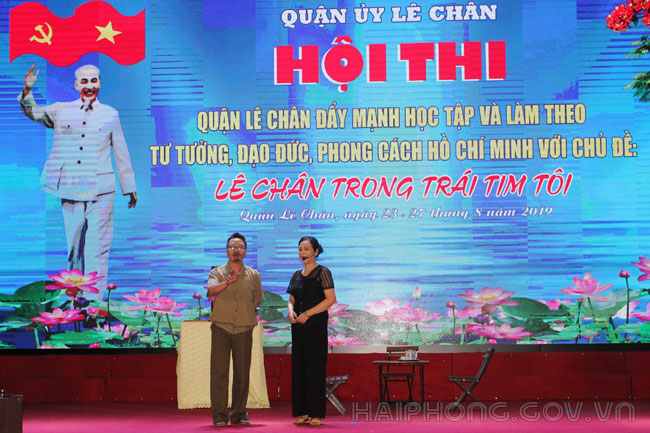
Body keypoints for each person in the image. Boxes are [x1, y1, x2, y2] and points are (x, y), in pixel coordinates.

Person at [18, 64, 137, 300]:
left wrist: (129, 187)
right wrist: (27, 91)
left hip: (101, 191)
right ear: (76, 85)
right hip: (70, 188)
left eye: (94, 81)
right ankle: (74, 300)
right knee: (74, 249)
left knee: (98, 248)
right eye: (84, 81)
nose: (89, 86)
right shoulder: (61, 110)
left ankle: (94, 303)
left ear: (100, 83)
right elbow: (34, 112)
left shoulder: (110, 114)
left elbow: (121, 149)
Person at [206, 232, 264, 427]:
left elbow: (256, 301)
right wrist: (228, 282)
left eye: (240, 247)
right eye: (232, 246)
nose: (236, 250)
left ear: (245, 251)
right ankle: (219, 416)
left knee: (242, 373)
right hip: (221, 328)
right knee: (219, 373)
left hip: (244, 328)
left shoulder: (254, 275)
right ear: (226, 251)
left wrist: (243, 314)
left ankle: (239, 414)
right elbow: (211, 291)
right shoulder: (217, 273)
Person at [287, 236, 336, 426]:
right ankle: (303, 411)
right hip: (298, 326)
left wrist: (308, 313)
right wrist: (290, 311)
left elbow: (330, 299)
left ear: (316, 252)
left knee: (315, 368)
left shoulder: (323, 272)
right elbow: (291, 299)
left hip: (315, 325)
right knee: (299, 367)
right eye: (300, 249)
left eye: (307, 249)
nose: (303, 253)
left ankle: (316, 413)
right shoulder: (296, 275)